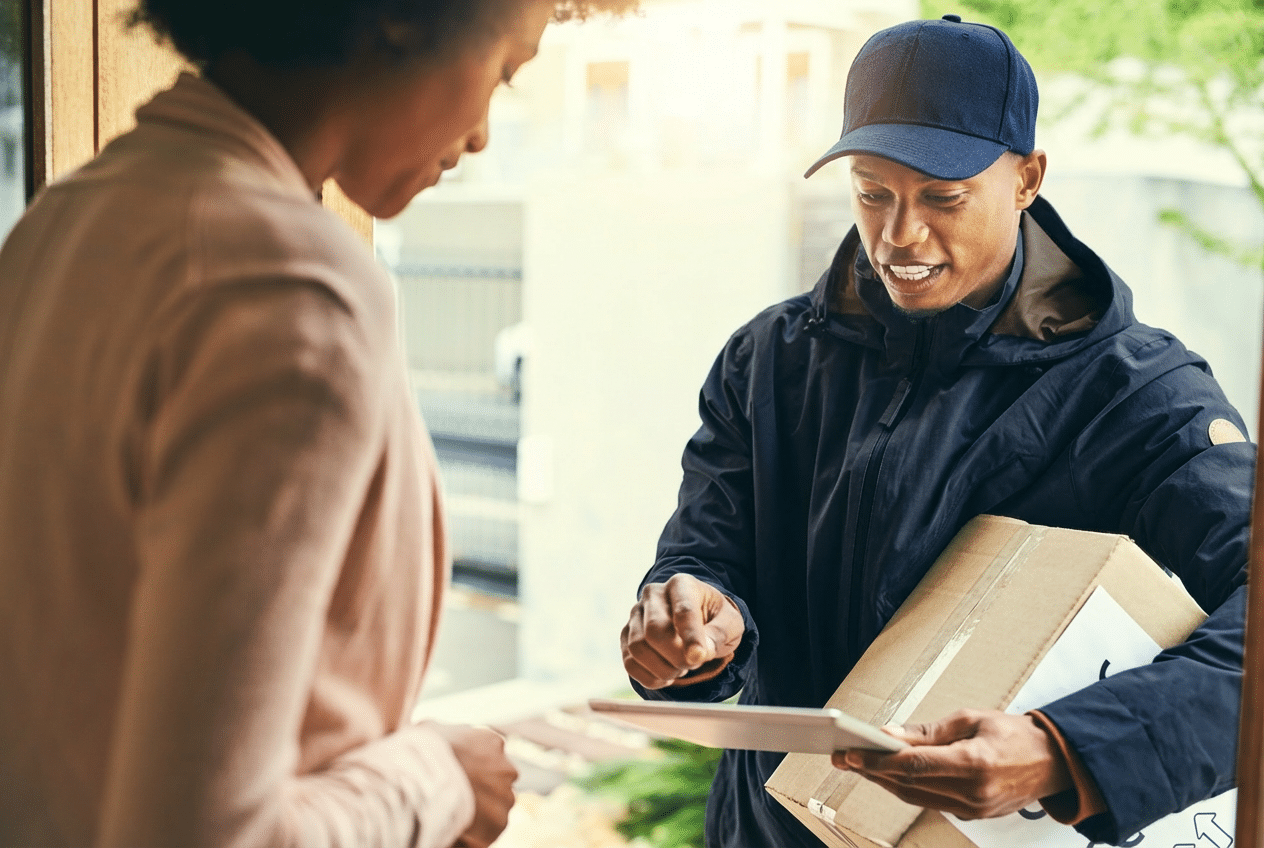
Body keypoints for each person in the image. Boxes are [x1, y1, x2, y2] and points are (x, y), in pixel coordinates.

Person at [0, 1, 631, 846]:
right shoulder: (287, 286)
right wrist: (436, 780)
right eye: (506, 70)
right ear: (405, 14)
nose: (483, 133)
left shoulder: (63, 221)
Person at [620, 14, 1252, 848]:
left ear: (1027, 178)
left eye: (942, 197)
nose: (899, 235)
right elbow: (706, 556)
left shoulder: (1140, 397)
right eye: (871, 192)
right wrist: (693, 622)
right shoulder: (768, 359)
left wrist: (1069, 750)